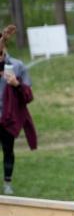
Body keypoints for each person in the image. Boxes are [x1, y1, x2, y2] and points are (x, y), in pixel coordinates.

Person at [0, 25, 35, 195]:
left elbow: (28, 96)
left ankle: (7, 183)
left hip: (7, 118)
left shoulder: (17, 66)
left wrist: (16, 84)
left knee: (8, 150)